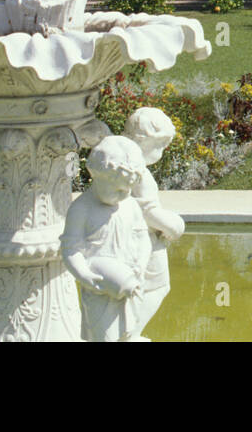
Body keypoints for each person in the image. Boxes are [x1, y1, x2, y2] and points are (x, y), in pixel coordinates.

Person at [60, 136, 152, 342]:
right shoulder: (81, 209)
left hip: (130, 279)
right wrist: (84, 274)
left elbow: (142, 238)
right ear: (97, 175)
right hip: (100, 287)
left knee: (129, 330)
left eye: (127, 190)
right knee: (104, 335)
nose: (124, 194)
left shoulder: (130, 205)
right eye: (118, 189)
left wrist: (141, 263)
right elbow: (70, 249)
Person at [123, 107, 185, 334]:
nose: (162, 151)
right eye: (160, 146)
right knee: (157, 287)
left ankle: (126, 332)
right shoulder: (139, 173)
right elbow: (148, 211)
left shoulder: (123, 164)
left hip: (129, 238)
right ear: (145, 142)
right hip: (145, 241)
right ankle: (130, 333)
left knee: (133, 289)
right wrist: (175, 226)